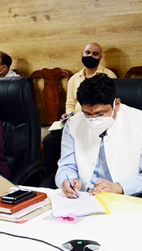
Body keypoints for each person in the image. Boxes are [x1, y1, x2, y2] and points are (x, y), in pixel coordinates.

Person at [55, 74, 142, 198]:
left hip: (127, 199)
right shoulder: (73, 124)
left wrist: (119, 187)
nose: (93, 119)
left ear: (117, 105)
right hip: (82, 198)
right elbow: (66, 166)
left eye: (100, 113)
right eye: (87, 114)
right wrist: (67, 180)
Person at [42, 42, 117, 176]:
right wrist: (68, 114)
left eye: (95, 54)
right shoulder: (74, 79)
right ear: (82, 54)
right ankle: (49, 178)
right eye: (87, 53)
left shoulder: (108, 76)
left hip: (99, 122)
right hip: (77, 121)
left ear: (100, 57)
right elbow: (70, 103)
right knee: (49, 141)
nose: (90, 56)